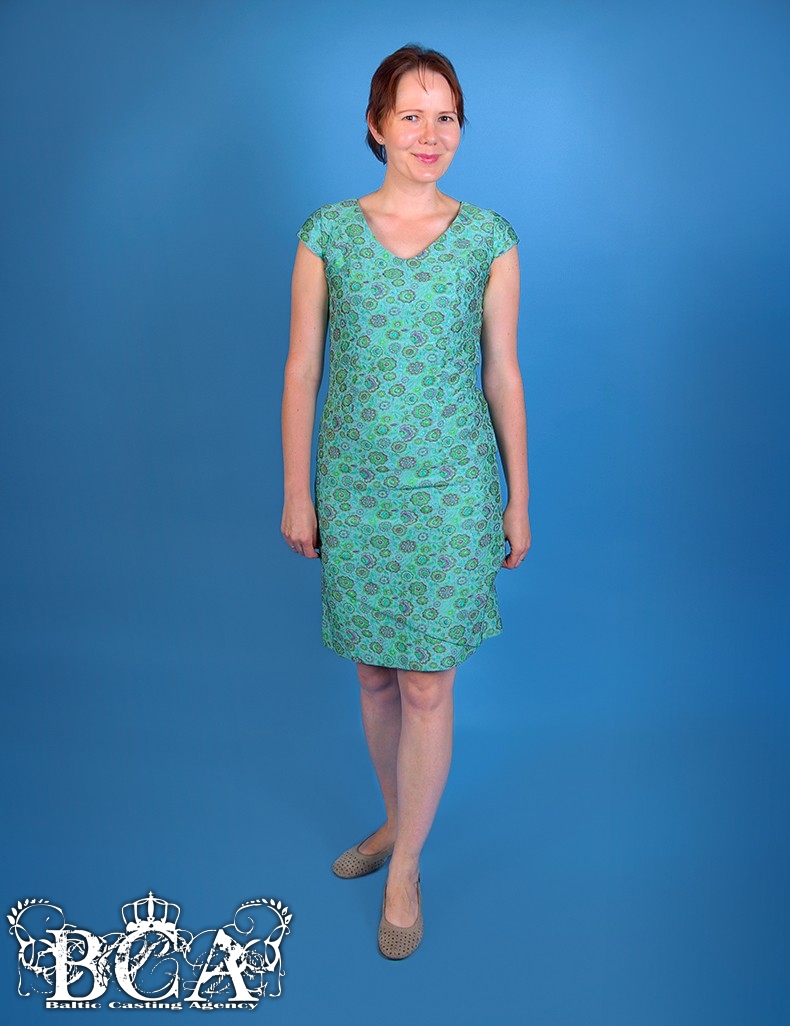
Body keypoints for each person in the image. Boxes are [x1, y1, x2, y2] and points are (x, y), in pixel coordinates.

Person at [281, 43, 530, 959]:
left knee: (427, 682)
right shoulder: (327, 233)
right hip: (355, 487)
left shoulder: (490, 238)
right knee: (374, 675)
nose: (431, 133)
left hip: (453, 492)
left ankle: (407, 869)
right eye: (412, 115)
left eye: (447, 116)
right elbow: (302, 370)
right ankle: (396, 819)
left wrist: (518, 499)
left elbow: (502, 375)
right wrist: (297, 489)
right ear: (377, 125)